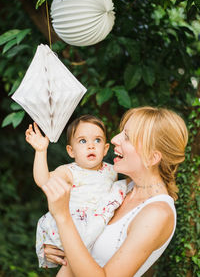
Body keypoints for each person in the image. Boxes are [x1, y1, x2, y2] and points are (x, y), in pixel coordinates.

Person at [41, 106, 188, 277]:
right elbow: (83, 241)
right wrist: (58, 244)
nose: (115, 139)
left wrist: (62, 217)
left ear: (152, 157)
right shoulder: (120, 189)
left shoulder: (157, 214)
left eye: (127, 137)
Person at [25, 114, 127, 272]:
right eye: (83, 141)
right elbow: (43, 181)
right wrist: (40, 151)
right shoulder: (69, 171)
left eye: (97, 140)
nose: (91, 146)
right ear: (71, 151)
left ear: (106, 149)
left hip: (96, 227)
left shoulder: (112, 171)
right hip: (74, 225)